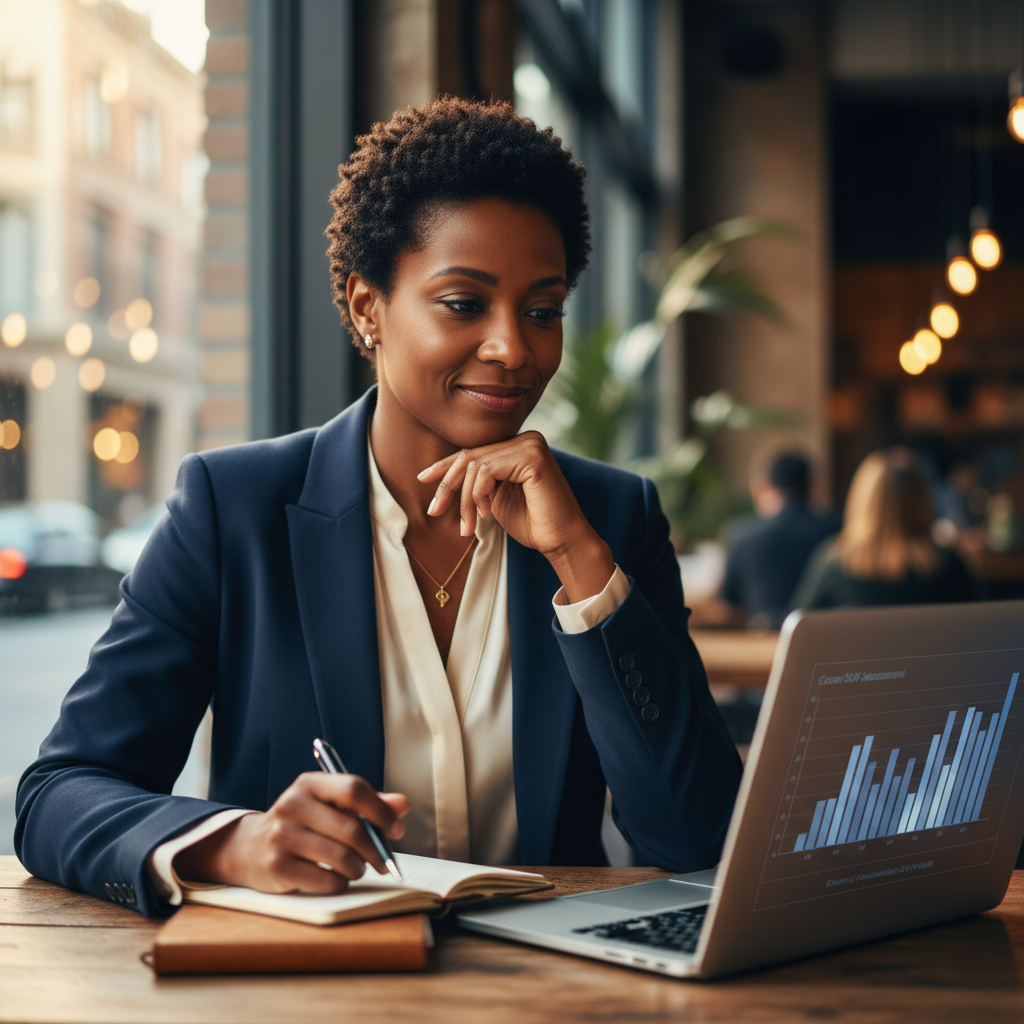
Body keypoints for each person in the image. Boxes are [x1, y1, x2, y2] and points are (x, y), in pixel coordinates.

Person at [15, 98, 742, 917]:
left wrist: (580, 564)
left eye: (543, 311)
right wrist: (233, 840)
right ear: (368, 309)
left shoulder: (611, 517)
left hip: (551, 993)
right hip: (313, 988)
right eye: (465, 304)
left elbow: (696, 838)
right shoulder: (235, 509)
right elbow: (58, 793)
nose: (513, 347)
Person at [791, 448, 975, 610]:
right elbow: (976, 630)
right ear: (922, 502)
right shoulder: (948, 566)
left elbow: (796, 626)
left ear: (861, 501)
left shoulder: (833, 563)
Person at [716, 450, 840, 628]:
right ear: (811, 486)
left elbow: (728, 604)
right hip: (825, 645)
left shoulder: (742, 536)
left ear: (762, 486)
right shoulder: (836, 530)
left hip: (762, 648)